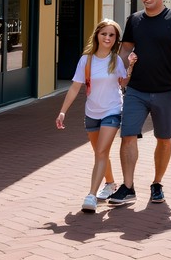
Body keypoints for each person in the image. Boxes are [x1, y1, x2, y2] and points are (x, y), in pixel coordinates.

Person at [107, 0, 171, 207]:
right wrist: (119, 74)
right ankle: (128, 187)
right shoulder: (134, 20)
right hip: (136, 90)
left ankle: (157, 184)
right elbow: (125, 49)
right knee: (127, 135)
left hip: (165, 91)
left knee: (163, 139)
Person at [55, 19, 131, 213]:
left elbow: (123, 84)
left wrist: (131, 66)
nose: (107, 38)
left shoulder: (116, 60)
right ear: (97, 35)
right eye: (104, 33)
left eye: (112, 35)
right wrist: (63, 111)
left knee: (101, 152)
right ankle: (111, 183)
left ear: (116, 39)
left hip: (112, 110)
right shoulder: (86, 60)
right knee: (100, 152)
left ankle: (91, 195)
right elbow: (74, 88)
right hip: (92, 113)